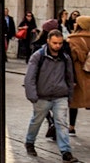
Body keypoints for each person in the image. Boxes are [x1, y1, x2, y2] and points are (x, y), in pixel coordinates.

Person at [24, 30, 78, 161]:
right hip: (42, 96)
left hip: (60, 96)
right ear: (48, 41)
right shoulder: (38, 56)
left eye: (60, 43)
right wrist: (32, 96)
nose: (57, 46)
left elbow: (70, 78)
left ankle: (66, 152)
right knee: (36, 121)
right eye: (54, 43)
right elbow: (30, 77)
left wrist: (70, 96)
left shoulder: (65, 58)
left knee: (62, 123)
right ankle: (29, 142)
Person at [67, 15, 90, 137]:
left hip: (78, 75)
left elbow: (70, 58)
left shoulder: (73, 40)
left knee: (74, 103)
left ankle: (71, 127)